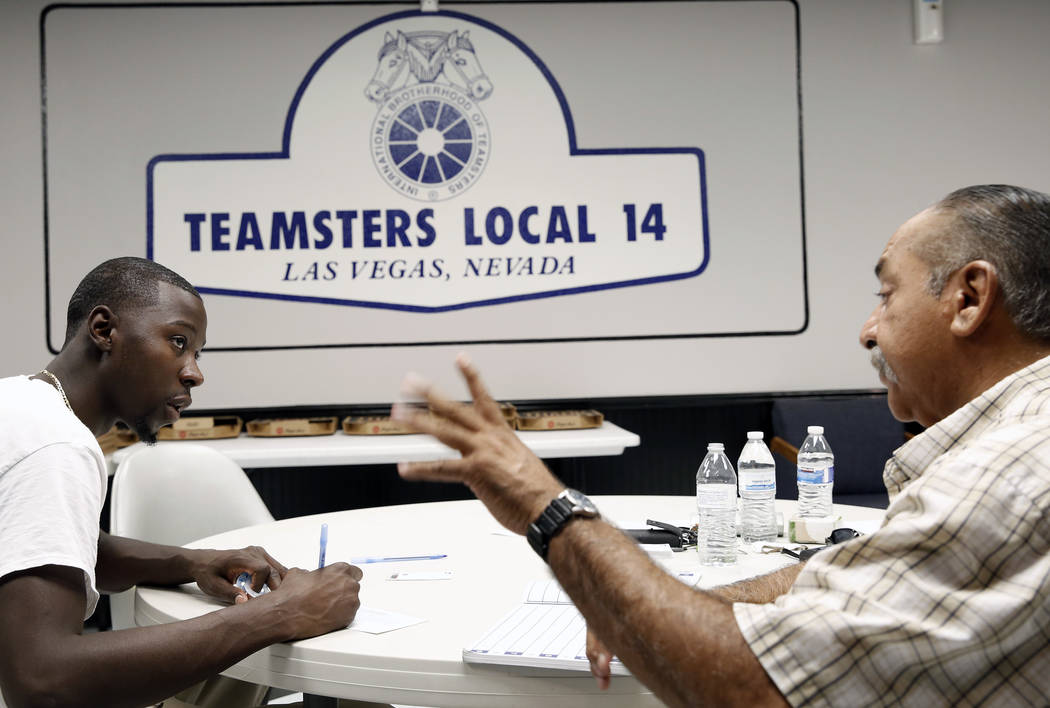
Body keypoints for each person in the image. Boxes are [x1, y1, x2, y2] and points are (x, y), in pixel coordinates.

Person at [390, 184, 1050, 706]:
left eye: (886, 295)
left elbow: (753, 689)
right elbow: (867, 577)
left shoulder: (1013, 469)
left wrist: (548, 504)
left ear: (969, 298)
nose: (867, 330)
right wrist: (649, 603)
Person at [0, 257, 363, 708]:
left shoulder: (18, 404)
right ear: (103, 330)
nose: (194, 372)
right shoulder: (56, 447)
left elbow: (62, 549)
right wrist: (284, 612)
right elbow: (41, 682)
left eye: (197, 352)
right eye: (178, 342)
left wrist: (192, 563)